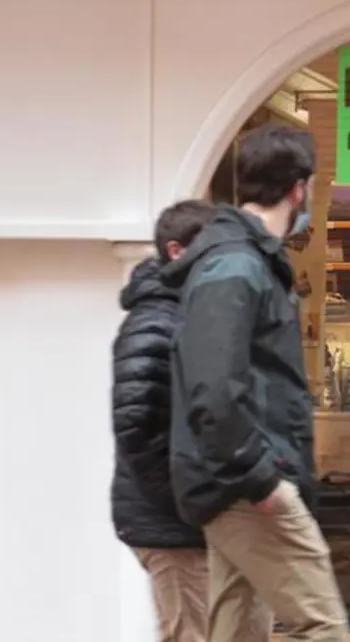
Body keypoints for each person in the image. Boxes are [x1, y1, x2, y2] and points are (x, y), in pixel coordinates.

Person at [164, 123, 349, 642]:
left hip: (232, 481)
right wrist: (262, 480)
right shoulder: (237, 266)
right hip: (247, 483)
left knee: (239, 629)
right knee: (324, 627)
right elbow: (213, 387)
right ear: (298, 188)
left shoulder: (240, 262)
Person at [111, 199, 234, 642]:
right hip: (172, 524)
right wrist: (190, 501)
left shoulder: (184, 313)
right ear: (178, 251)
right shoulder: (157, 322)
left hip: (184, 519)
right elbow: (136, 424)